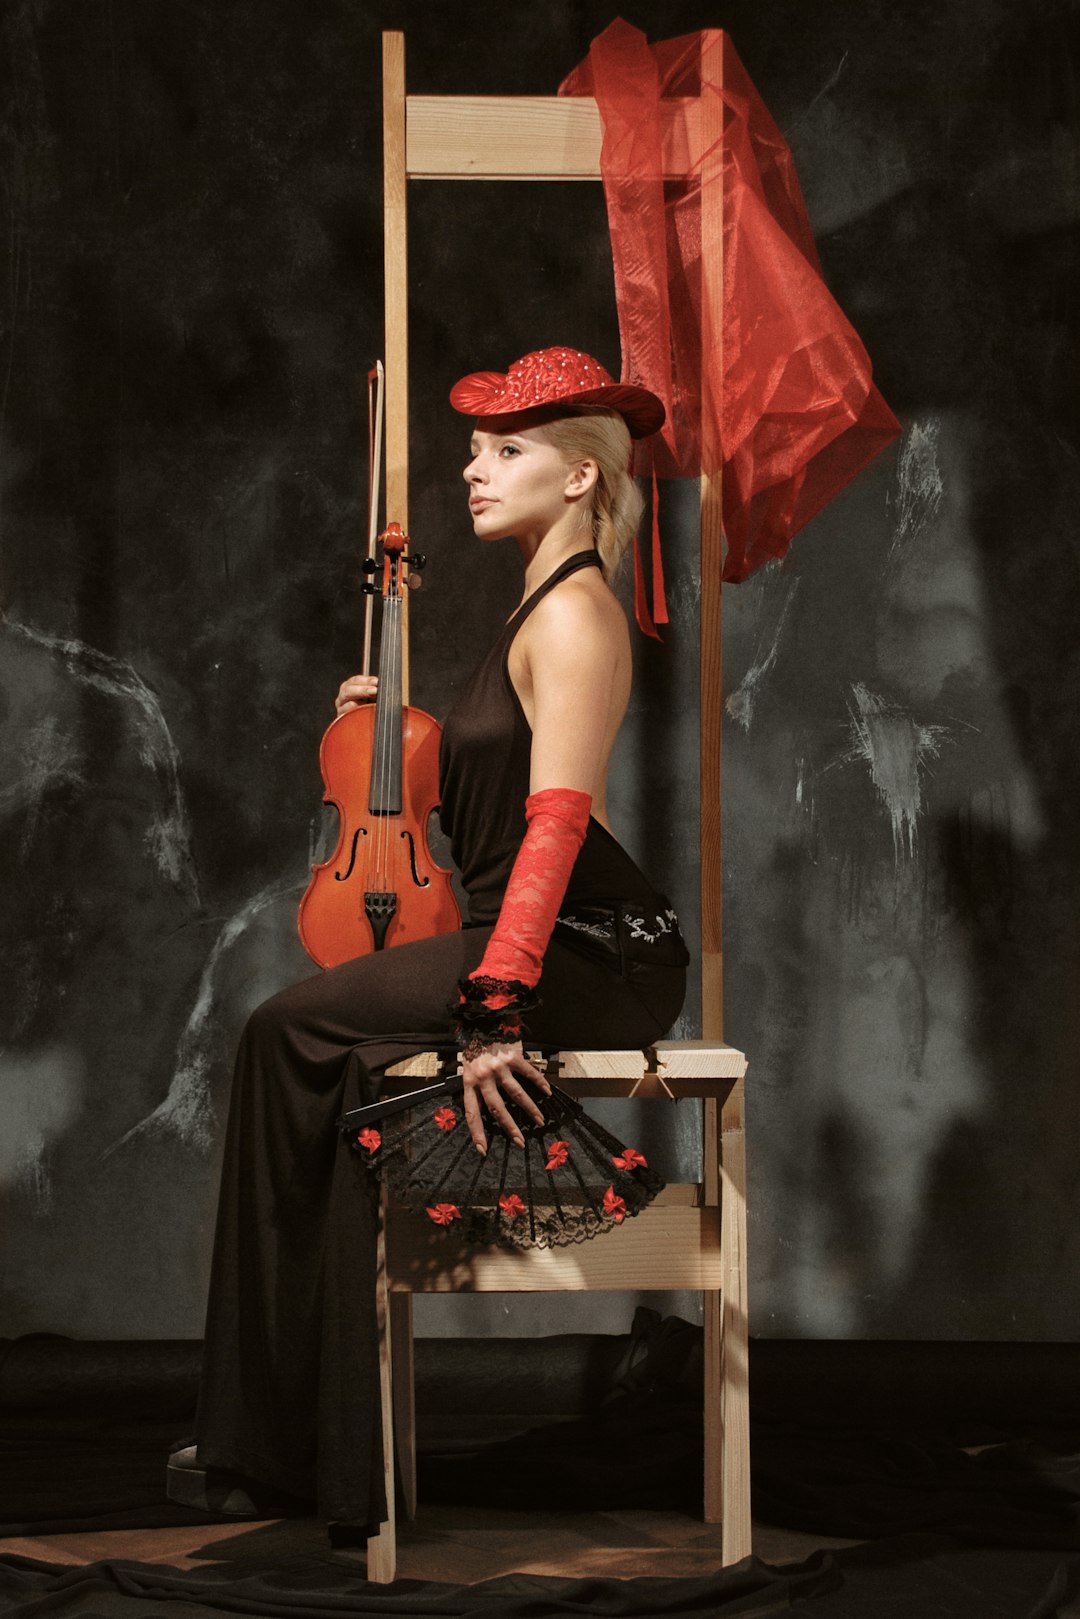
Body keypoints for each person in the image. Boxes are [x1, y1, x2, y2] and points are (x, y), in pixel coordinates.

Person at [168, 347, 688, 1534]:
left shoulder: (577, 616)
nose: (473, 469)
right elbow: (497, 798)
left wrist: (497, 1006)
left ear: (580, 479)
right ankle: (307, 1431)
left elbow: (560, 823)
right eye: (473, 448)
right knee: (321, 1045)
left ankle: (278, 1435)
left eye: (509, 450)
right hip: (552, 933)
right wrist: (394, 735)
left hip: (593, 948)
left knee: (280, 1034)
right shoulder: (537, 604)